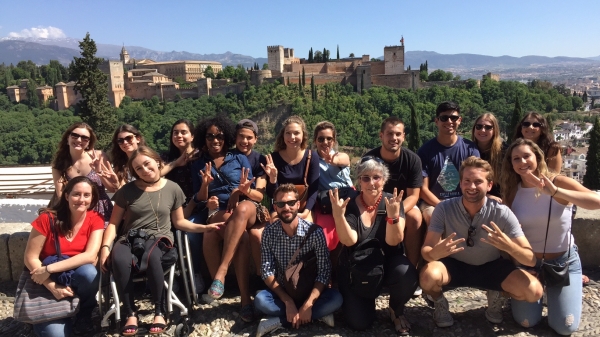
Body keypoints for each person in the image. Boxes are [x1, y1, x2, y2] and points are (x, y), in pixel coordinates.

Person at [99, 146, 219, 336]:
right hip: (130, 238)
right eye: (138, 168)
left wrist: (205, 228)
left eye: (147, 164)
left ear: (157, 162)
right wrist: (106, 248)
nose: (145, 170)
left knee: (153, 254)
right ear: (134, 172)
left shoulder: (173, 188)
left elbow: (179, 222)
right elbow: (113, 224)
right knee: (119, 258)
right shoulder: (126, 191)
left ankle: (160, 310)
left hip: (159, 239)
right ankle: (130, 312)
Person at [420, 156, 543, 328]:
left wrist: (510, 247)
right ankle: (439, 302)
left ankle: (498, 294)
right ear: (460, 183)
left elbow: (530, 259)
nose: (471, 187)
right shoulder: (444, 208)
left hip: (491, 266)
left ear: (489, 185)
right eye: (467, 181)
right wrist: (435, 253)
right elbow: (426, 250)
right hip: (455, 265)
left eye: (478, 181)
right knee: (427, 277)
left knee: (534, 292)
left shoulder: (502, 212)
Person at [500, 138, 600, 335]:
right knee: (527, 321)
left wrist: (555, 192)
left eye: (526, 156)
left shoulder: (557, 181)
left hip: (562, 262)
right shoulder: (513, 190)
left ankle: (563, 292)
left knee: (565, 327)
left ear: (537, 157)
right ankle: (546, 293)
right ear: (511, 164)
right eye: (516, 159)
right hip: (528, 264)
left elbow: (596, 201)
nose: (522, 162)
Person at [330, 156, 418, 335]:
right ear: (359, 181)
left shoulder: (392, 202)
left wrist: (393, 217)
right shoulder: (351, 205)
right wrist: (338, 216)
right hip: (358, 267)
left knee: (406, 273)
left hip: (387, 263)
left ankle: (395, 309)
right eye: (365, 178)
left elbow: (394, 241)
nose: (371, 182)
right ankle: (365, 300)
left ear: (384, 180)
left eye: (376, 177)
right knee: (359, 324)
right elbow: (350, 240)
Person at [185, 116, 258, 320]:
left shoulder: (239, 158)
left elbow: (249, 188)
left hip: (245, 206)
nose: (215, 140)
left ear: (226, 138)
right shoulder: (198, 163)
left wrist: (237, 191)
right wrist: (206, 189)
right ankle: (245, 300)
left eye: (219, 136)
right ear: (203, 138)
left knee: (242, 210)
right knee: (226, 235)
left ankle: (221, 273)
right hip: (218, 210)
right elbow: (198, 197)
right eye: (210, 136)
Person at [254, 184, 343, 337]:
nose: (286, 208)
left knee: (336, 299)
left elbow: (324, 271)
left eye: (290, 203)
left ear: (298, 204)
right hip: (284, 291)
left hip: (309, 291)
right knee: (260, 300)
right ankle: (315, 316)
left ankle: (281, 320)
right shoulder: (269, 232)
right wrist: (288, 302)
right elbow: (267, 271)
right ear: (275, 206)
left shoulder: (314, 232)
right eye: (281, 204)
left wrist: (308, 303)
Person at [24, 176, 104, 337]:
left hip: (71, 275)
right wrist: (51, 286)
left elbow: (90, 256)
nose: (81, 199)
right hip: (48, 280)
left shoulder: (95, 219)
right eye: (76, 194)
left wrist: (49, 268)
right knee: (56, 335)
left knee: (89, 273)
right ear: (67, 196)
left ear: (92, 198)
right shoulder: (47, 219)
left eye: (86, 195)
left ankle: (84, 313)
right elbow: (30, 257)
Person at [363, 117, 423, 270]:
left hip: (401, 206)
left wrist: (395, 212)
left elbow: (414, 196)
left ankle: (411, 270)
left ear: (403, 136)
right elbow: (364, 191)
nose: (394, 138)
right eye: (390, 134)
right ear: (381, 135)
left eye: (398, 134)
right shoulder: (369, 159)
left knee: (415, 217)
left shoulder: (412, 160)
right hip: (374, 204)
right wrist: (381, 211)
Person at [418, 101, 480, 226]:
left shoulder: (470, 149)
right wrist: (443, 206)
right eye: (444, 118)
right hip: (433, 202)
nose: (449, 121)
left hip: (464, 201)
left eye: (454, 118)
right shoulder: (425, 151)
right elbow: (423, 189)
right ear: (437, 121)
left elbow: (476, 180)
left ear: (460, 120)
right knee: (434, 217)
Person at [51, 122, 115, 224]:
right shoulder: (59, 164)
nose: (79, 140)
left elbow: (112, 188)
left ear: (89, 143)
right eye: (75, 136)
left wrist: (99, 172)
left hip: (101, 211)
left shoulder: (99, 156)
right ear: (68, 138)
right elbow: (61, 195)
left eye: (85, 138)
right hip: (76, 211)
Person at [263, 116, 319, 223]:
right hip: (280, 207)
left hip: (304, 207)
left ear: (303, 135)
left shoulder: (311, 157)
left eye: (296, 133)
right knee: (277, 226)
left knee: (307, 228)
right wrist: (273, 179)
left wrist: (306, 212)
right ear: (283, 135)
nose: (292, 137)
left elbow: (314, 190)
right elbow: (271, 194)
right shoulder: (274, 158)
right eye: (288, 133)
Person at [232, 119, 269, 277]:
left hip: (251, 209)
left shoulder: (260, 161)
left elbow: (259, 195)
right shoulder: (228, 156)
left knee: (255, 235)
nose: (244, 141)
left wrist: (244, 191)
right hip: (229, 207)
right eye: (241, 136)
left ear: (255, 139)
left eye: (249, 138)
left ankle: (264, 279)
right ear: (235, 137)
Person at [312, 121, 353, 252]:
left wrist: (333, 160)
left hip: (347, 197)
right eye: (321, 138)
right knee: (325, 234)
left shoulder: (341, 156)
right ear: (315, 141)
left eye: (329, 139)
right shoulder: (311, 160)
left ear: (334, 141)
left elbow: (344, 160)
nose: (325, 142)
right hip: (327, 200)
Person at [161, 119, 198, 203]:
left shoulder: (200, 156)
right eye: (175, 133)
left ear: (192, 136)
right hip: (172, 204)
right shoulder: (166, 157)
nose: (179, 135)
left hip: (197, 204)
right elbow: (156, 174)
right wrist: (176, 163)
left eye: (183, 132)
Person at [471, 113, 506, 201]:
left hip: (501, 201)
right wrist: (486, 196)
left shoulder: (505, 152)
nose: (483, 130)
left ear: (495, 130)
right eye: (479, 126)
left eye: (488, 127)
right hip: (475, 198)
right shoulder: (468, 150)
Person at [108, 124, 147, 189]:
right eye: (120, 141)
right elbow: (121, 190)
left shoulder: (149, 158)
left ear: (138, 139)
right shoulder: (119, 165)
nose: (125, 142)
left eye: (129, 138)